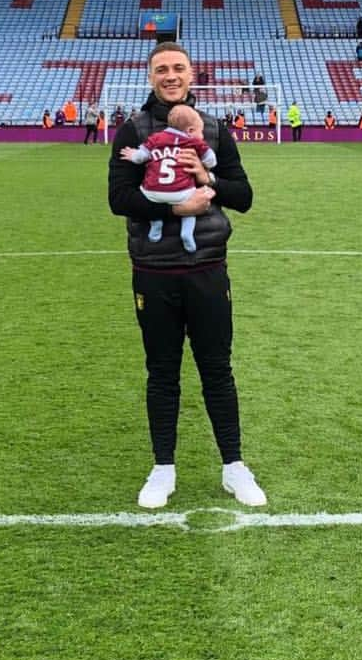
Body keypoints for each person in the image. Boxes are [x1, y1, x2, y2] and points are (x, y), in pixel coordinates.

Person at [108, 41, 264, 509]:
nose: (170, 76)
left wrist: (208, 180)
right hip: (154, 272)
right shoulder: (132, 130)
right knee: (162, 372)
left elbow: (243, 195)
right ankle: (163, 469)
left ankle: (234, 467)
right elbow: (119, 198)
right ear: (150, 76)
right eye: (162, 69)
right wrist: (181, 208)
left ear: (192, 75)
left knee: (217, 369)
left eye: (178, 68)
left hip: (207, 270)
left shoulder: (214, 130)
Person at [120, 104, 219, 254]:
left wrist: (132, 154)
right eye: (201, 132)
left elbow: (140, 157)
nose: (202, 136)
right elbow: (211, 160)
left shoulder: (155, 138)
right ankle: (186, 233)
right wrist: (205, 166)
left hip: (153, 192)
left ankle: (156, 224)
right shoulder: (194, 142)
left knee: (148, 197)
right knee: (193, 202)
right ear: (190, 131)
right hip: (182, 193)